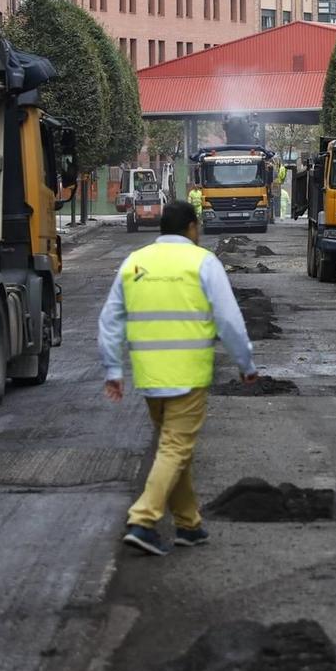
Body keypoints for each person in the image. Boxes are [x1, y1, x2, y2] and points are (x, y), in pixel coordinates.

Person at [99, 200, 256, 556]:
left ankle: (189, 524)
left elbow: (110, 321)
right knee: (174, 448)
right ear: (191, 227)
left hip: (150, 377)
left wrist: (113, 369)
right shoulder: (203, 262)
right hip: (188, 376)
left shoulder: (135, 262)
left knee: (174, 447)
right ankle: (143, 519)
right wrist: (246, 364)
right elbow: (229, 320)